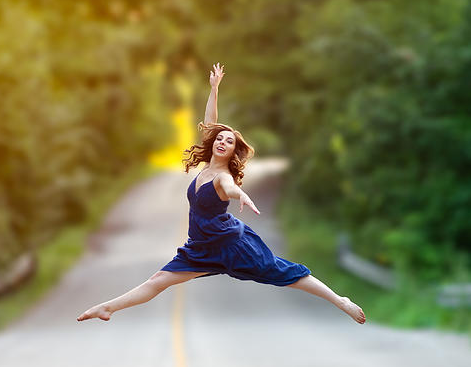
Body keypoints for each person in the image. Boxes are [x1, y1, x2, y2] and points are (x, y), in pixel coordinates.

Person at [77, 63, 365, 324]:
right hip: (202, 248)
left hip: (232, 246)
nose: (222, 142)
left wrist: (241, 195)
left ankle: (340, 301)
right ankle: (108, 308)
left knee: (283, 273)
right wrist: (214, 89)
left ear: (231, 151)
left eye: (229, 141)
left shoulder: (224, 177)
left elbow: (229, 188)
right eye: (220, 138)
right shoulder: (206, 165)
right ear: (213, 142)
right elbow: (210, 121)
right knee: (159, 279)